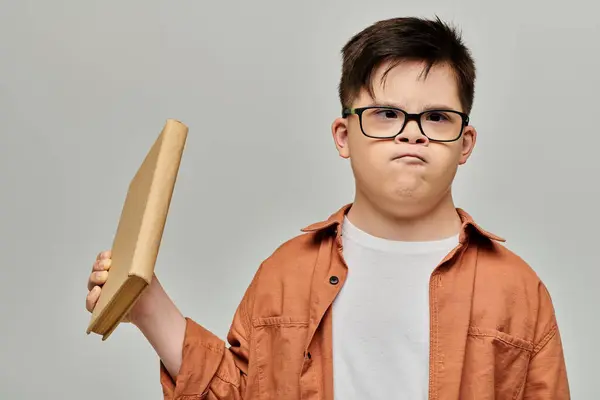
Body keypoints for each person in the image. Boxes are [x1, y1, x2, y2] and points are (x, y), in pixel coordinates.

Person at [85, 16, 570, 400]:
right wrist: (148, 306)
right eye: (386, 113)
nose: (412, 131)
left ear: (465, 143)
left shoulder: (518, 291)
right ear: (344, 135)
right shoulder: (285, 273)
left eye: (437, 117)